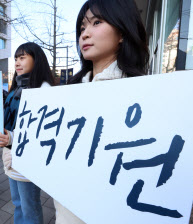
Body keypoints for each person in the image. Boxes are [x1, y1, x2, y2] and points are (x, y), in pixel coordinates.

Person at [53, 0, 150, 223]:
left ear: (122, 32)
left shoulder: (144, 95)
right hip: (65, 211)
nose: (85, 34)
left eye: (96, 22)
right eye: (82, 28)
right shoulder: (68, 91)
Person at [0, 42, 55, 224]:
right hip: (11, 156)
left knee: (29, 206)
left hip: (28, 159)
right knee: (18, 203)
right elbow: (8, 120)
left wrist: (12, 137)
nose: (17, 63)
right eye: (15, 59)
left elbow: (44, 131)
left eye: (22, 57)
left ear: (36, 60)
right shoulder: (16, 88)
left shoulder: (44, 90)